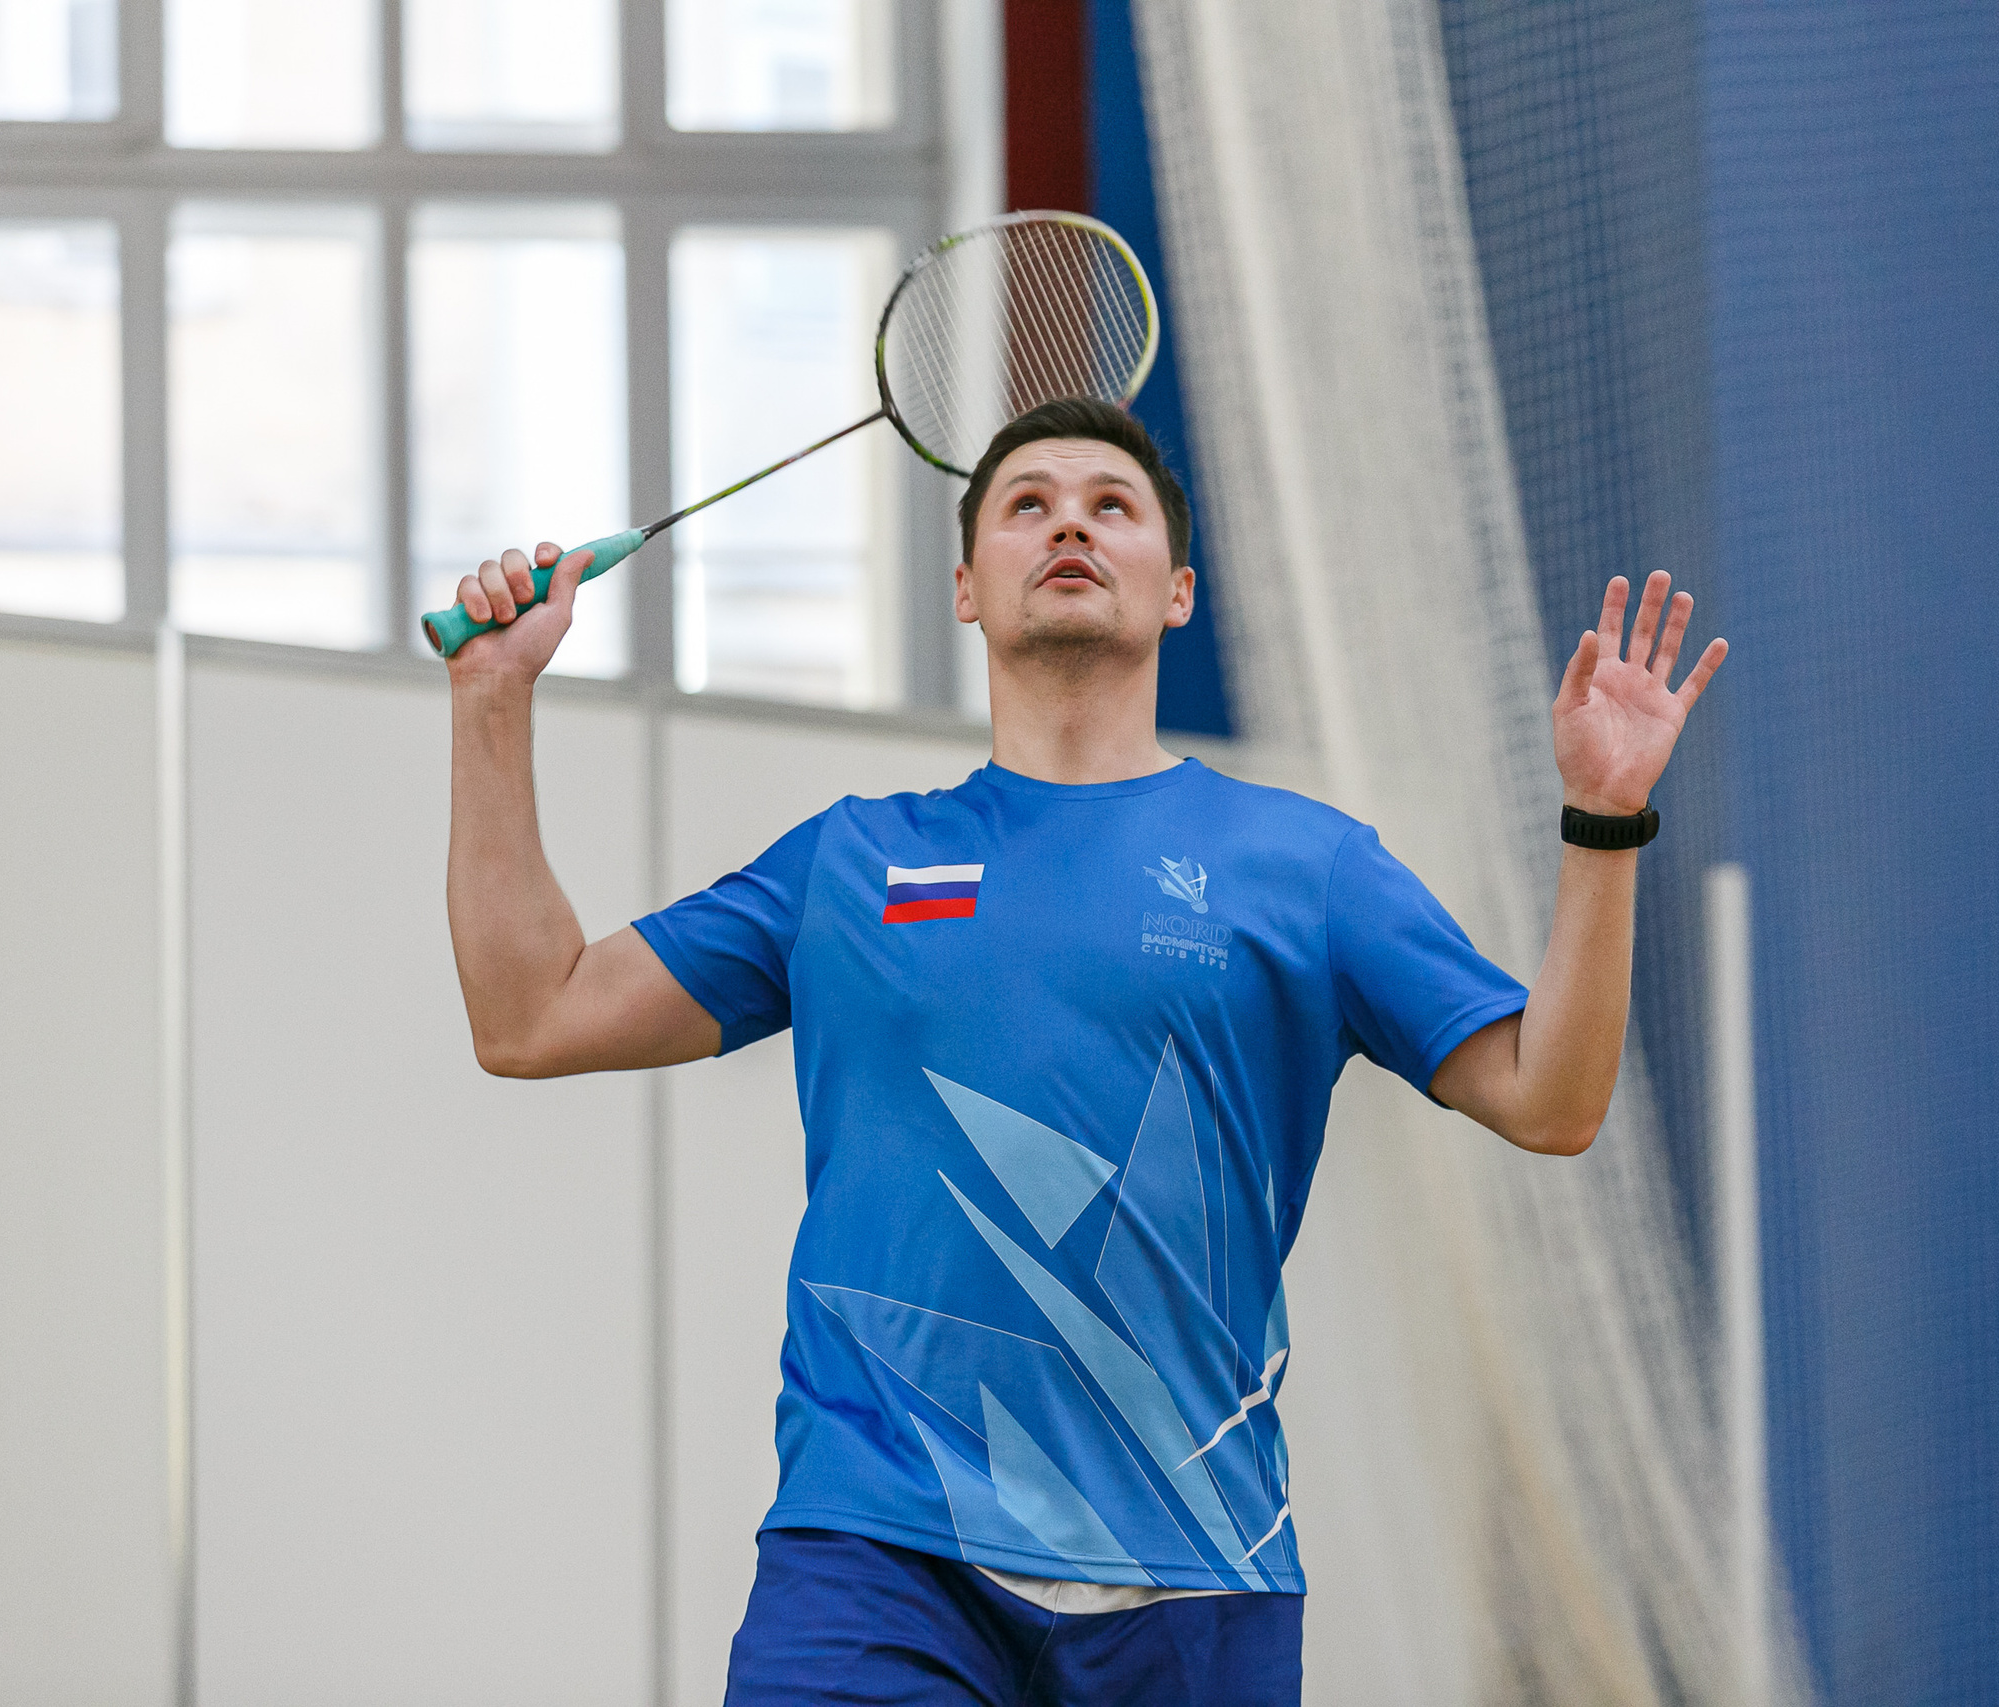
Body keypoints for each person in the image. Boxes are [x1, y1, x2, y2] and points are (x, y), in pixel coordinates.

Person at [441, 397, 1725, 1706]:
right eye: (1027, 504)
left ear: (1176, 591)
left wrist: (1602, 825)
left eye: (1111, 504)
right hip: (878, 1555)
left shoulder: (1310, 868)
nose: (1068, 520)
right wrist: (492, 700)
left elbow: (1551, 1101)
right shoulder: (847, 863)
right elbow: (531, 1014)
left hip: (1197, 1572)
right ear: (964, 587)